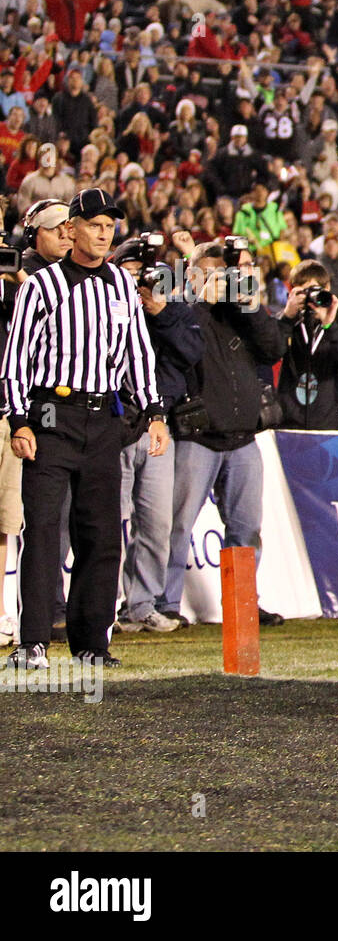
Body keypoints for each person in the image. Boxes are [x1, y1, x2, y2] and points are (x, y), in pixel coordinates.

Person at [0, 188, 167, 670]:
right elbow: (16, 359)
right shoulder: (42, 285)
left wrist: (155, 412)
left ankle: (92, 643)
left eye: (109, 225)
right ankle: (32, 641)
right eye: (94, 224)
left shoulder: (120, 285)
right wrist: (20, 420)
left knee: (100, 534)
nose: (102, 232)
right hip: (53, 415)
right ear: (72, 228)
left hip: (103, 418)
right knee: (45, 530)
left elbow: (138, 351)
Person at [162, 238, 287, 629]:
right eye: (220, 272)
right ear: (196, 274)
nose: (231, 278)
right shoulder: (181, 309)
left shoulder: (246, 311)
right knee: (177, 526)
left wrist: (249, 304)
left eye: (239, 270)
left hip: (244, 437)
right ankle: (161, 604)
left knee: (246, 529)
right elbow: (180, 348)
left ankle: (242, 605)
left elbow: (274, 348)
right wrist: (199, 298)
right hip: (196, 435)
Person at [109, 233, 204, 633]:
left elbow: (191, 353)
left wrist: (161, 311)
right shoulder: (107, 301)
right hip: (117, 421)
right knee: (110, 522)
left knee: (156, 523)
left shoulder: (173, 305)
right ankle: (106, 607)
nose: (142, 284)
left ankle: (141, 604)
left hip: (159, 423)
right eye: (133, 273)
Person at [0, 197, 73, 647]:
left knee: (10, 524)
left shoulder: (30, 280)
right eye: (58, 228)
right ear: (34, 235)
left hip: (14, 411)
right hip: (20, 411)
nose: (68, 235)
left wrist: (23, 284)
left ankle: (18, 614)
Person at [276, 259, 338, 430]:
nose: (310, 297)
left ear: (327, 289)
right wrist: (286, 318)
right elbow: (269, 352)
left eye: (314, 290)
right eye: (302, 291)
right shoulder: (289, 319)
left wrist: (330, 325)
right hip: (292, 422)